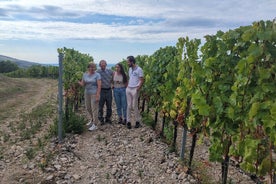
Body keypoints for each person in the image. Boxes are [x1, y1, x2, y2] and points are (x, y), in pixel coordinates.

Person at [78, 62, 101, 131]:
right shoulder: (85, 74)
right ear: (88, 68)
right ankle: (92, 119)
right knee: (88, 107)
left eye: (93, 67)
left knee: (94, 109)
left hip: (94, 93)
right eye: (90, 67)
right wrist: (77, 81)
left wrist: (98, 94)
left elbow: (99, 85)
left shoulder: (97, 75)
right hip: (87, 93)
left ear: (95, 68)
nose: (92, 68)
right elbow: (83, 84)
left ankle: (95, 124)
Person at [126, 56, 144, 129]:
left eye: (128, 62)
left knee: (134, 106)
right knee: (129, 106)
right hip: (129, 89)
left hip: (135, 90)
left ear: (132, 62)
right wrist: (127, 86)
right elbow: (130, 78)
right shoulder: (130, 69)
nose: (127, 63)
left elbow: (142, 80)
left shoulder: (139, 69)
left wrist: (138, 88)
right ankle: (128, 121)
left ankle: (137, 121)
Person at [97, 60, 114, 125]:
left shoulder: (110, 71)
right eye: (101, 65)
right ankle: (101, 119)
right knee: (100, 106)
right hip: (101, 91)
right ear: (99, 65)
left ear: (106, 65)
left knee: (109, 105)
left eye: (104, 65)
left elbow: (115, 75)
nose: (103, 66)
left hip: (109, 90)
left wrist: (112, 83)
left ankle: (108, 118)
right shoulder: (97, 72)